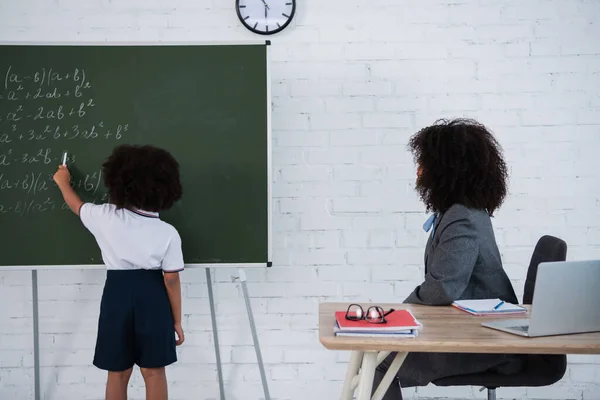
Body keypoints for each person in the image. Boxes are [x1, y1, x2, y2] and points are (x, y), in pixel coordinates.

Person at [373, 118, 529, 398]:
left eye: (425, 163)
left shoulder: (461, 218)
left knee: (378, 361)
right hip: (473, 329)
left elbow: (443, 287)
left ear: (446, 170)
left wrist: (397, 316)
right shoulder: (462, 211)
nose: (419, 172)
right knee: (377, 355)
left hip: (485, 342)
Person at [53, 144, 185, 400]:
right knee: (154, 371)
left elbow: (76, 205)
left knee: (117, 372)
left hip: (116, 294)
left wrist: (63, 183)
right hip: (153, 296)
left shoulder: (105, 216)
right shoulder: (167, 232)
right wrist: (176, 321)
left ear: (119, 181)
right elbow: (171, 279)